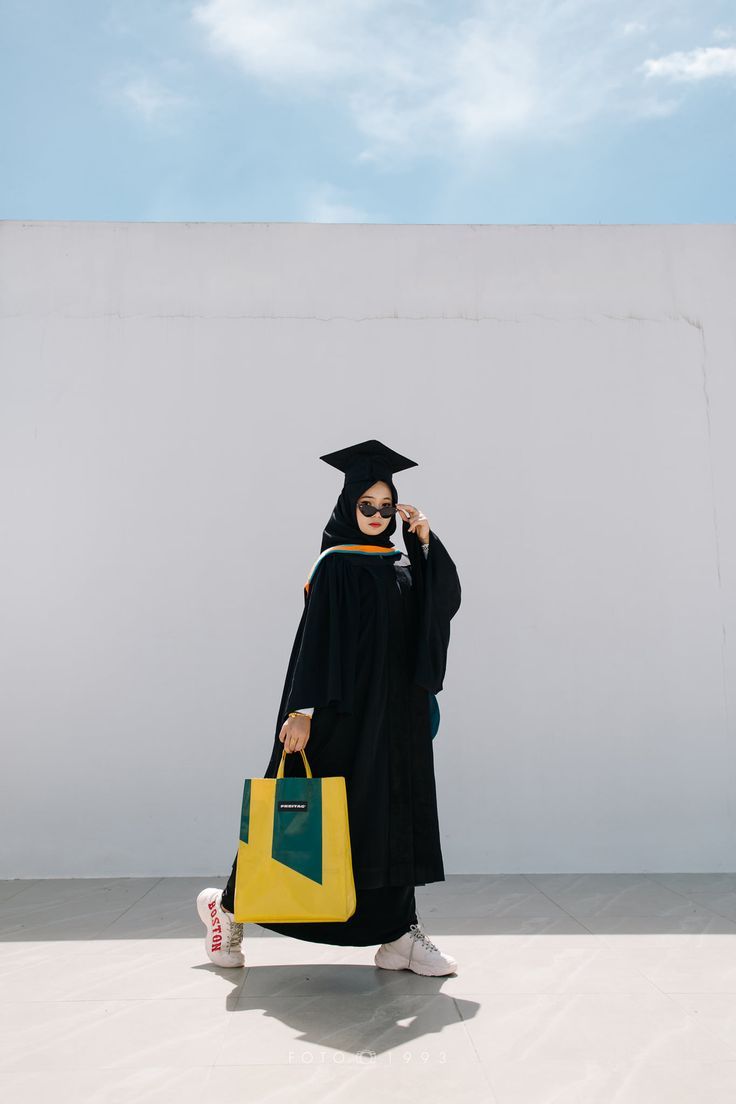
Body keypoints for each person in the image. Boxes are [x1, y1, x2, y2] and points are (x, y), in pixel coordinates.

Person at [197, 438, 461, 976]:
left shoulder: (400, 564)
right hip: (340, 715)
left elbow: (441, 607)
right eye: (368, 505)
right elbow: (315, 638)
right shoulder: (337, 565)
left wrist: (427, 543)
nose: (377, 515)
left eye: (387, 507)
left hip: (394, 721)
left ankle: (398, 934)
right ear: (348, 506)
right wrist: (303, 710)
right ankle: (226, 909)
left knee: (390, 818)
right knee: (300, 823)